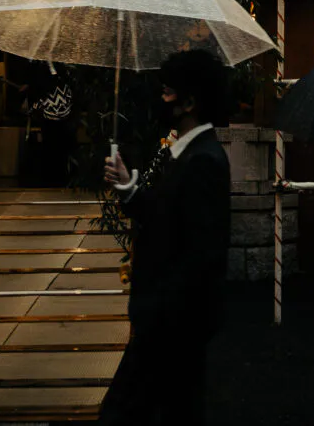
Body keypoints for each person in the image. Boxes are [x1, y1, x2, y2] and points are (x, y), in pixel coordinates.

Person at [99, 49, 231, 426]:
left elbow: (201, 253)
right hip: (169, 323)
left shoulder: (202, 161)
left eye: (169, 93)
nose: (162, 99)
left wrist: (159, 315)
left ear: (191, 102)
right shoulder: (184, 154)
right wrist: (128, 187)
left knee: (126, 412)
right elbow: (166, 218)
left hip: (171, 325)